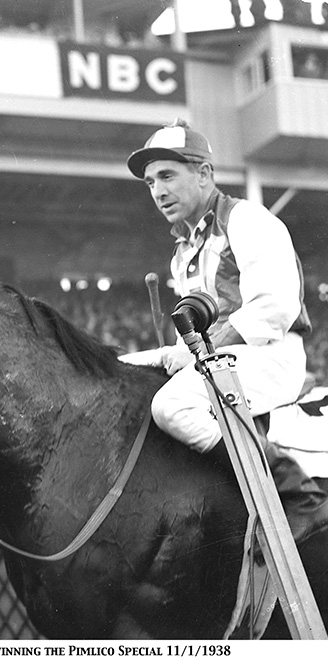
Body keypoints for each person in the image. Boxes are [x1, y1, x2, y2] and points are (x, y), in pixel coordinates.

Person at [122, 119, 328, 545]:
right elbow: (193, 332)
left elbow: (275, 307)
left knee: (171, 407)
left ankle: (298, 493)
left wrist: (198, 351)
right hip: (223, 358)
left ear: (203, 174)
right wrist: (177, 352)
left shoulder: (248, 220)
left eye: (167, 175)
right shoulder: (183, 252)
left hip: (271, 356)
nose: (157, 191)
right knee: (118, 368)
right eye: (149, 182)